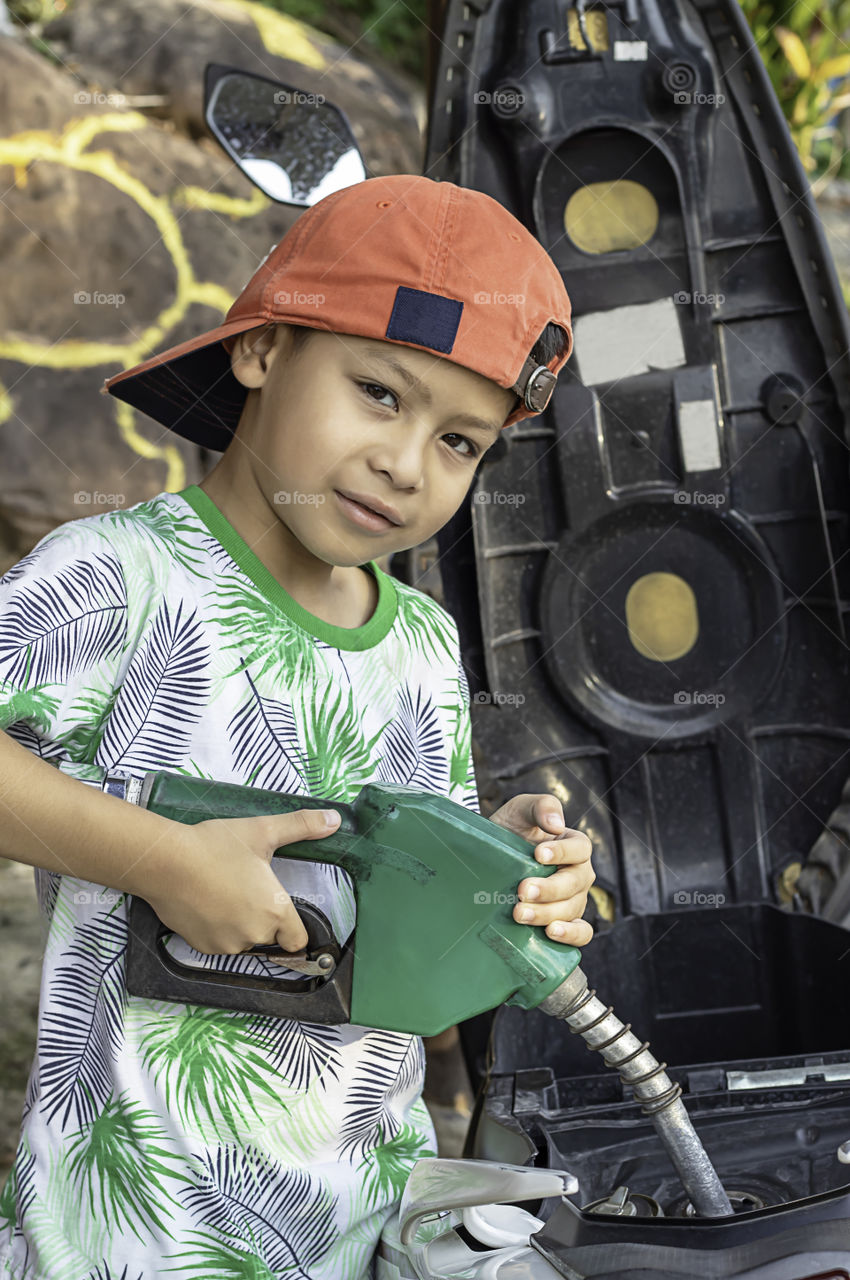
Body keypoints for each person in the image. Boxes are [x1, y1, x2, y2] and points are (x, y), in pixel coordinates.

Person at [0, 174, 595, 1279]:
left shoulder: (419, 642)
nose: (407, 464)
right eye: (379, 390)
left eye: (460, 442)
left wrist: (502, 863)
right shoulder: (122, 580)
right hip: (133, 1241)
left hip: (365, 1231)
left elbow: (393, 888)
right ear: (263, 351)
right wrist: (163, 858)